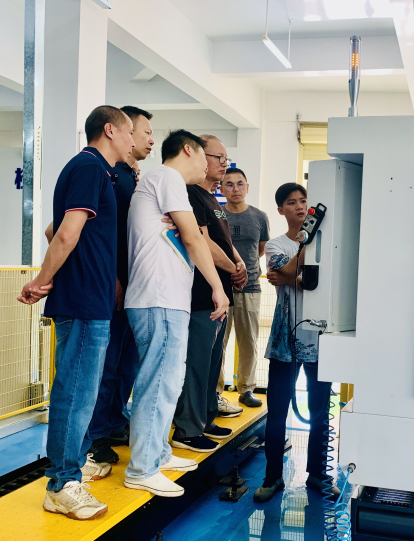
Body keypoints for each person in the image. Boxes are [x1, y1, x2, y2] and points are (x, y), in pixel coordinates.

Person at [18, 105, 134, 520]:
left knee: (82, 391)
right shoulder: (88, 167)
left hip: (92, 298)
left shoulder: (99, 172)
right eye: (129, 133)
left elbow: (61, 230)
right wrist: (41, 280)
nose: (133, 141)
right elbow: (65, 233)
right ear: (110, 130)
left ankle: (70, 472)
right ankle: (62, 484)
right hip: (83, 299)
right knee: (76, 393)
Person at [123, 130, 229, 497]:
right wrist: (217, 287)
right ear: (188, 150)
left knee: (168, 382)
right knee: (159, 383)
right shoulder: (167, 176)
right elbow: (193, 237)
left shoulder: (161, 183)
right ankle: (142, 468)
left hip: (164, 299)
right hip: (159, 298)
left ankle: (158, 453)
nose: (209, 166)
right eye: (206, 157)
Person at [253, 183, 339, 503]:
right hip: (284, 341)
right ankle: (272, 477)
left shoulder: (326, 244)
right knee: (277, 412)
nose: (300, 207)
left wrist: (290, 279)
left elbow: (318, 283)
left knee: (320, 413)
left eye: (303, 201)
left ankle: (317, 474)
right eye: (292, 202)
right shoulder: (277, 244)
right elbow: (288, 270)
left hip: (319, 340)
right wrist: (304, 244)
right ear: (281, 210)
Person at [85, 106, 155, 465]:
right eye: (143, 133)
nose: (149, 140)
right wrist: (111, 276)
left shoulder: (129, 176)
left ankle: (114, 421)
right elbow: (100, 233)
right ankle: (95, 434)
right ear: (119, 131)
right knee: (107, 364)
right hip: (113, 284)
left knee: (127, 362)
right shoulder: (104, 174)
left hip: (134, 284)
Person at [171, 135, 247, 453]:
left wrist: (238, 264)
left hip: (221, 294)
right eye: (218, 157)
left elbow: (223, 240)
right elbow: (202, 241)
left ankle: (205, 418)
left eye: (226, 158)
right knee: (197, 364)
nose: (224, 164)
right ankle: (187, 429)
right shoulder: (190, 193)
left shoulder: (212, 199)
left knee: (213, 363)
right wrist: (232, 268)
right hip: (202, 294)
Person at [217, 167, 269, 408]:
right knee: (218, 343)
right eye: (229, 184)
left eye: (240, 184)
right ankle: (215, 390)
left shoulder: (259, 217)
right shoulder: (217, 215)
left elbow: (259, 249)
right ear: (221, 189)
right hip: (220, 288)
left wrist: (244, 269)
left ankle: (246, 389)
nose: (235, 189)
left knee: (248, 342)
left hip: (250, 287)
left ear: (247, 188)